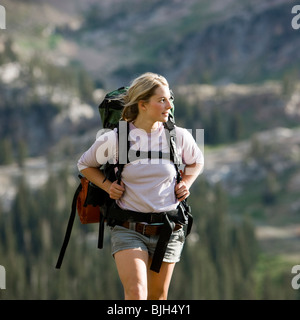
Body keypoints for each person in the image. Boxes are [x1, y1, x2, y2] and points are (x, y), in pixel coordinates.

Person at [77, 72, 204, 300]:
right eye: (162, 100)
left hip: (169, 228)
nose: (169, 105)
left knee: (158, 297)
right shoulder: (116, 138)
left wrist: (186, 182)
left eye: (170, 99)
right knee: (136, 294)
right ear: (143, 105)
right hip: (128, 228)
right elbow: (85, 165)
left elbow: (197, 161)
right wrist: (107, 186)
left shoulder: (178, 137)